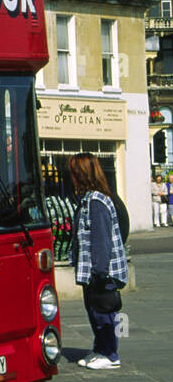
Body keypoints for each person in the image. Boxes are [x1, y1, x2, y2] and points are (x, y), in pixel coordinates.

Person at [68, 153, 127, 369]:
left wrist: (99, 272)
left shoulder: (96, 201)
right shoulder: (89, 199)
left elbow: (101, 240)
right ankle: (100, 349)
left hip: (101, 271)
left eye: (74, 172)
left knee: (104, 313)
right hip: (92, 270)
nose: (71, 176)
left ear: (82, 174)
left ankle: (111, 354)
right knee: (94, 311)